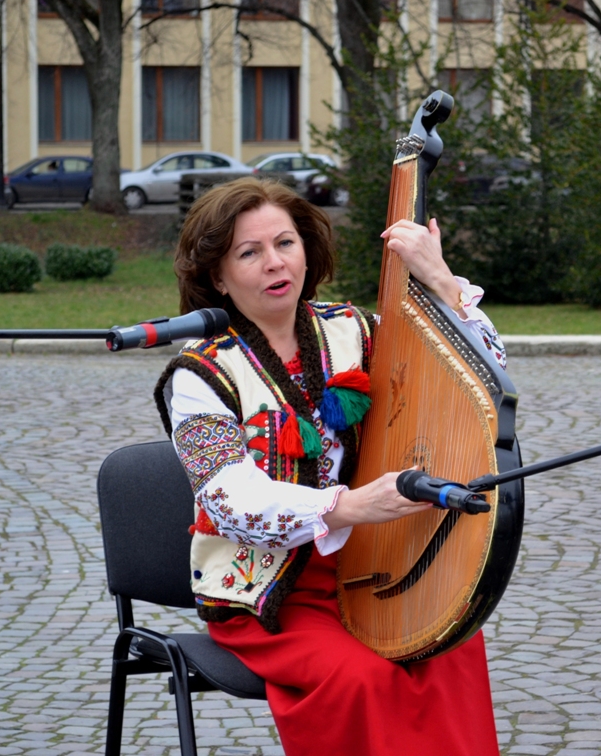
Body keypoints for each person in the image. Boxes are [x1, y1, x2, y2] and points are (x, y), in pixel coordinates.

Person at [152, 178, 504, 753]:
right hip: (269, 594)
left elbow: (480, 376)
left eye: (285, 243)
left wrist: (440, 279)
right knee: (363, 680)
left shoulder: (354, 330)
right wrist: (350, 505)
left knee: (451, 646)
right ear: (217, 276)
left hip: (376, 564)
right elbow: (227, 496)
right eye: (249, 252)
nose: (274, 263)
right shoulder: (199, 374)